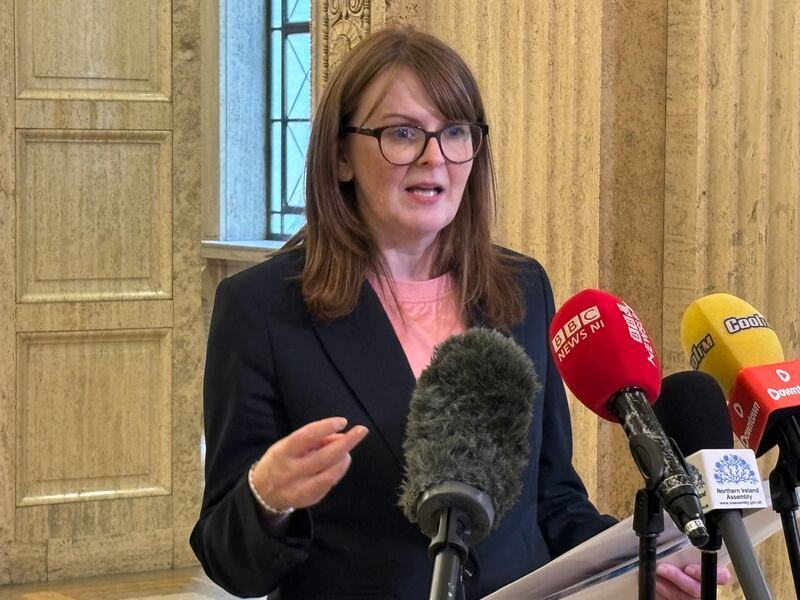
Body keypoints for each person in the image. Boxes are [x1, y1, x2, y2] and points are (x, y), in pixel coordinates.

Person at [190, 27, 731, 599]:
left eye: (454, 132)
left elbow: (552, 500)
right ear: (341, 156)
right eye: (402, 133)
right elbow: (229, 561)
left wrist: (644, 569)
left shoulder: (522, 290)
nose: (434, 157)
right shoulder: (260, 310)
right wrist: (267, 498)